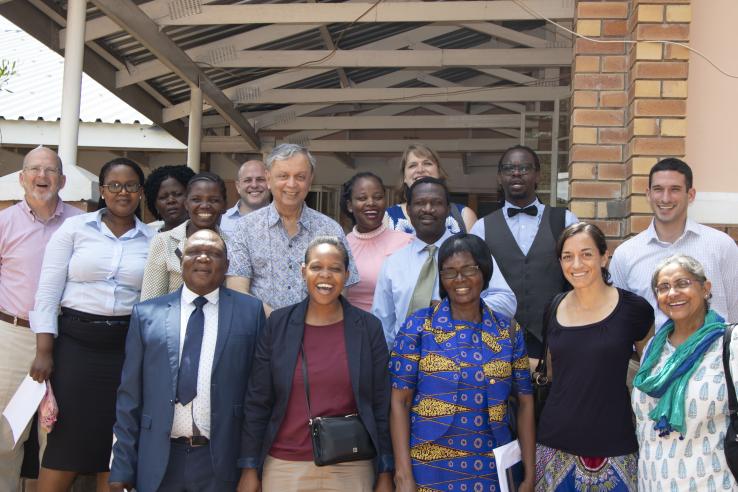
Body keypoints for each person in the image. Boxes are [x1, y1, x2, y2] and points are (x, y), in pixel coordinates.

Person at [29, 157, 154, 492]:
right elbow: (48, 290)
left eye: (130, 186)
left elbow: (150, 299)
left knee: (113, 439)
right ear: (102, 191)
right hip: (74, 346)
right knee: (64, 442)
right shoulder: (74, 229)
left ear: (141, 192)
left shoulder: (151, 240)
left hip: (124, 350)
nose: (122, 192)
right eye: (114, 185)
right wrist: (44, 348)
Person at [109, 230, 266, 492]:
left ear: (226, 266)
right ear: (181, 259)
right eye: (194, 252)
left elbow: (258, 396)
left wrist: (250, 466)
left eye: (214, 254)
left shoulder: (250, 312)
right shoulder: (147, 314)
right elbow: (129, 399)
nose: (204, 258)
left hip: (221, 462)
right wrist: (122, 468)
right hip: (160, 460)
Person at [238, 236, 393, 492]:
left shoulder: (367, 328)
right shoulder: (278, 325)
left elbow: (380, 403)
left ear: (347, 274)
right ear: (303, 271)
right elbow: (257, 401)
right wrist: (249, 468)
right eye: (316, 267)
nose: (325, 275)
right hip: (285, 466)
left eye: (335, 269)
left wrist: (386, 470)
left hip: (351, 466)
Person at [390, 233, 535, 492]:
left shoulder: (508, 331)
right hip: (430, 467)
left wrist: (529, 475)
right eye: (449, 272)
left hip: (492, 466)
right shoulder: (419, 326)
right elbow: (400, 402)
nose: (459, 280)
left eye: (469, 269)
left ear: (485, 272)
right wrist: (403, 475)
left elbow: (525, 402)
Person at [535, 223, 654, 491]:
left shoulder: (634, 310)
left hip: (616, 446)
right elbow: (553, 372)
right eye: (567, 256)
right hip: (554, 445)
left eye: (586, 254)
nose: (576, 263)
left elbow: (651, 372)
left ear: (604, 257)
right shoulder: (553, 308)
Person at [0, 147, 81, 492]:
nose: (42, 176)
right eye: (34, 169)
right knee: (6, 432)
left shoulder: (82, 223)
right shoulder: (4, 222)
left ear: (62, 180)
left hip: (68, 338)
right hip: (13, 334)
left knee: (57, 434)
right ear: (22, 178)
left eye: (50, 171)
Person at [632, 254, 738, 491]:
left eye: (682, 283)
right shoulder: (653, 349)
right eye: (663, 287)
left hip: (713, 483)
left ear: (705, 288)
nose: (672, 293)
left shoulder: (730, 344)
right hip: (652, 482)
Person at [372, 177, 517, 349]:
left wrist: (458, 307)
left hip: (467, 360)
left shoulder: (473, 253)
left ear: (448, 209)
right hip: (408, 366)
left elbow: (507, 302)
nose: (428, 209)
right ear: (409, 210)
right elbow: (383, 324)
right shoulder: (392, 264)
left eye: (436, 203)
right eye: (420, 203)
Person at [471, 145, 577, 363]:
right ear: (500, 177)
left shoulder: (565, 220)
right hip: (497, 340)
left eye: (524, 168)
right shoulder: (482, 228)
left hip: (555, 338)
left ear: (538, 175)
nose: (516, 173)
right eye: (509, 168)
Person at [226, 144, 358, 316]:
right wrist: (280, 323)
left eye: (300, 177)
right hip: (262, 335)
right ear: (268, 178)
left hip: (314, 334)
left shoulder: (330, 230)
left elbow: (340, 289)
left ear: (310, 180)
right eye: (283, 176)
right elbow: (237, 290)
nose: (291, 184)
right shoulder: (245, 228)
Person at [610, 158, 738, 329]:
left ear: (690, 195)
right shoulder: (625, 255)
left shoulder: (722, 246)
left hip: (717, 352)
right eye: (658, 189)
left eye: (675, 189)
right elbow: (621, 322)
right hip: (653, 355)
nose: (665, 198)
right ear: (648, 194)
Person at [140, 172, 227, 301]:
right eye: (196, 199)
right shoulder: (163, 242)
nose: (204, 206)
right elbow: (150, 303)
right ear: (186, 204)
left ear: (224, 206)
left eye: (214, 200)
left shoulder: (233, 245)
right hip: (171, 320)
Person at [341, 172, 412, 312]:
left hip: (394, 330)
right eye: (362, 198)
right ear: (350, 205)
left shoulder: (407, 243)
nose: (371, 203)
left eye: (378, 197)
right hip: (353, 328)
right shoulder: (341, 246)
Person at [385, 143, 477, 234]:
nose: (420, 170)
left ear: (439, 172)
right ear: (404, 177)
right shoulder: (387, 218)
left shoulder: (464, 216)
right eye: (412, 165)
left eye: (427, 163)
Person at [220, 159, 270, 235]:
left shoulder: (285, 221)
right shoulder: (221, 221)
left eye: (260, 179)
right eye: (248, 180)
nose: (254, 185)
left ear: (270, 183)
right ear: (238, 187)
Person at [142, 165, 195, 233]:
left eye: (178, 194)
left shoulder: (206, 235)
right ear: (154, 205)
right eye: (163, 197)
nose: (171, 200)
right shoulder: (147, 234)